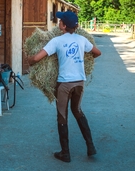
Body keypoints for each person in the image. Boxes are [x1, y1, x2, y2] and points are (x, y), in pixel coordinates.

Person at [27, 10, 101, 162]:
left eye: (60, 21)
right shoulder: (82, 40)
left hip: (64, 85)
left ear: (63, 26)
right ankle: (90, 146)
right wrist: (85, 57)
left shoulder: (57, 41)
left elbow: (37, 57)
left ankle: (65, 153)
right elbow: (97, 53)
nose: (58, 22)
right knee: (78, 111)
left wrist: (29, 60)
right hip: (79, 83)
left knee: (62, 115)